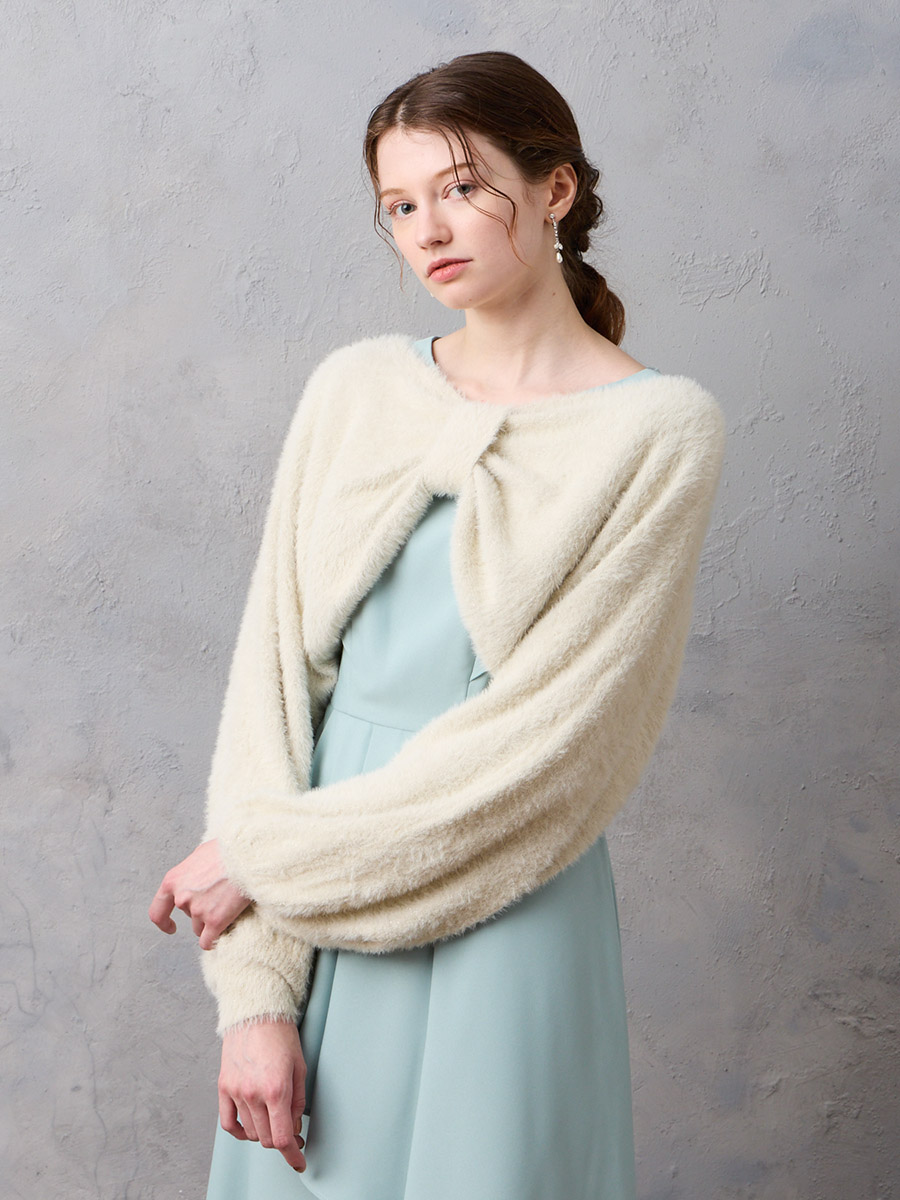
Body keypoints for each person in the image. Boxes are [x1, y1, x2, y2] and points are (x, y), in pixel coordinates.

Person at [149, 49, 725, 1200]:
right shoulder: (354, 390)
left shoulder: (660, 431)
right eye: (401, 206)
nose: (430, 230)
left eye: (462, 188)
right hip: (309, 911)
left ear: (554, 188)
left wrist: (262, 859)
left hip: (505, 897)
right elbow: (270, 694)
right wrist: (255, 997)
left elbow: (554, 748)